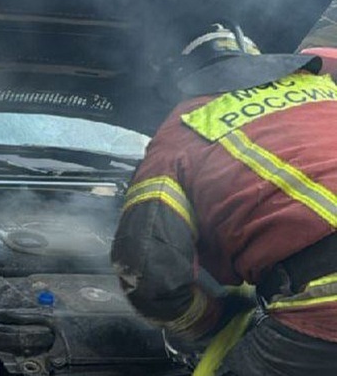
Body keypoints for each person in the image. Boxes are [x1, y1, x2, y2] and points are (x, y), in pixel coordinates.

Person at [111, 23, 337, 375]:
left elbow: (148, 271)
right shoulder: (322, 90)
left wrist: (213, 322)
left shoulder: (185, 126)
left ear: (182, 81)